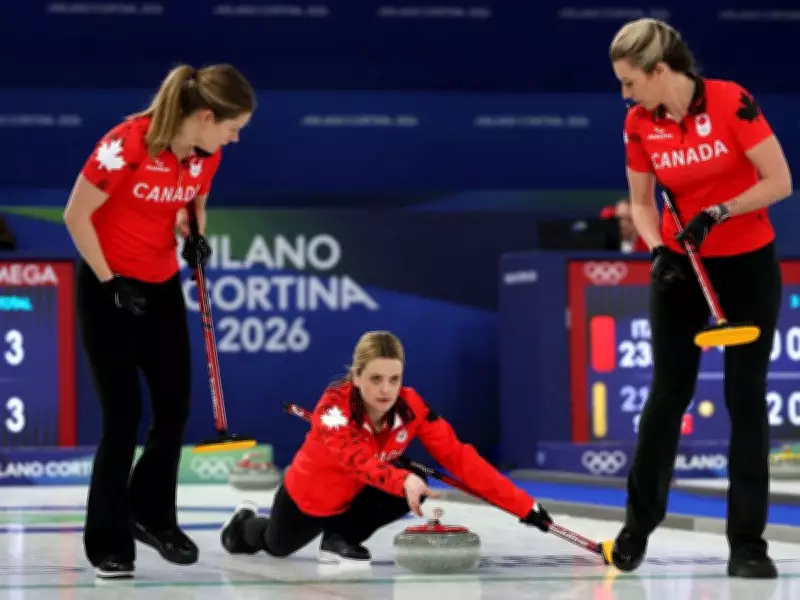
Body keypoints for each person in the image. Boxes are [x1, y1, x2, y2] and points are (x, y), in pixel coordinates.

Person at [609, 18, 792, 578]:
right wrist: (659, 248)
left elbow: (779, 180)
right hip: (682, 268)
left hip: (747, 267)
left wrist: (719, 211)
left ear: (660, 71)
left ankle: (748, 544)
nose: (625, 94)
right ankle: (636, 529)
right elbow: (641, 202)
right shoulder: (639, 123)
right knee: (666, 397)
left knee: (745, 399)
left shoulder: (731, 101)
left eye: (629, 82)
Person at [63, 63, 256, 579]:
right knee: (122, 417)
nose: (235, 139)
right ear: (206, 116)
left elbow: (192, 206)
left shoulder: (205, 156)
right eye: (233, 128)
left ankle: (150, 515)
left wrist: (194, 236)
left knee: (172, 413)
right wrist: (109, 282)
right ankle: (107, 541)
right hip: (108, 288)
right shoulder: (127, 143)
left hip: (161, 285)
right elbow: (76, 215)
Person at [219, 330, 553, 563]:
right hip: (308, 498)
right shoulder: (333, 409)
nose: (386, 390)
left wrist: (523, 506)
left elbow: (460, 457)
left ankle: (341, 538)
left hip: (354, 501)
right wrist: (401, 480)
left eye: (394, 379)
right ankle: (241, 525)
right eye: (376, 379)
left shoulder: (412, 408)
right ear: (357, 376)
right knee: (276, 546)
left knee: (412, 484)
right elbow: (356, 460)